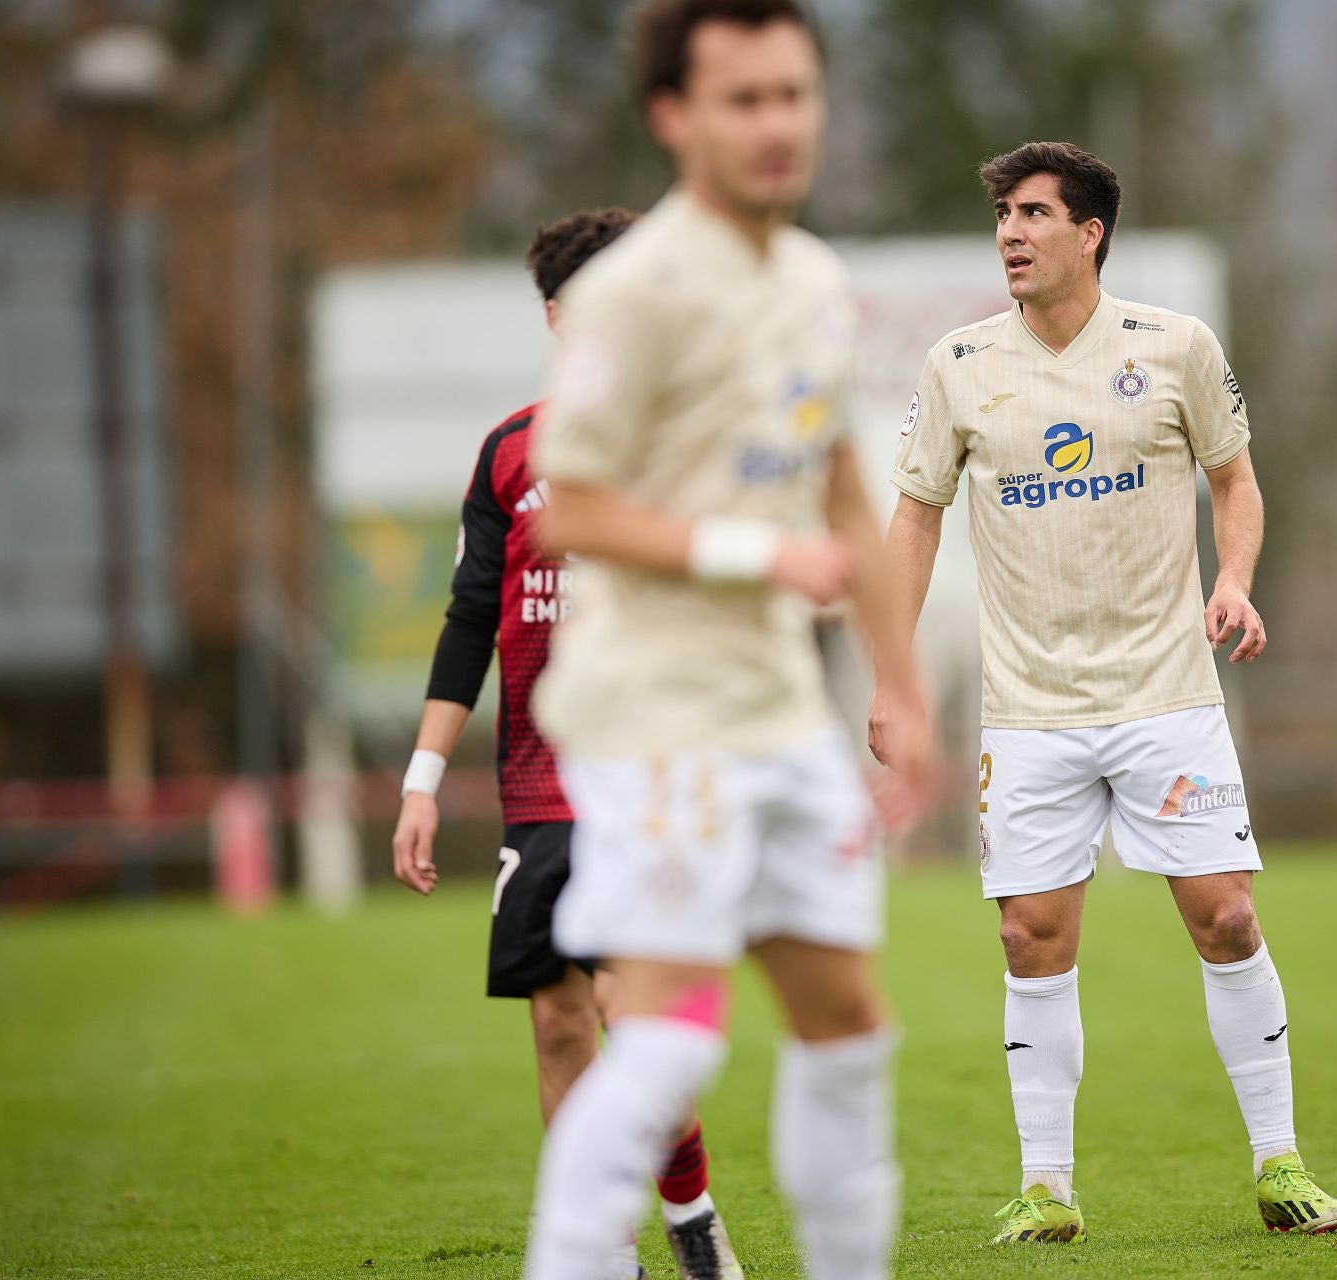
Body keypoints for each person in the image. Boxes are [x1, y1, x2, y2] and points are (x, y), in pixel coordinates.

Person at [871, 140, 1337, 1242]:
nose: (1010, 232)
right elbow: (913, 517)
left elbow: (1235, 479)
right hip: (1030, 709)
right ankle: (1046, 1189)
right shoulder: (957, 363)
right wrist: (894, 675)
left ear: (1089, 232)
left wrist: (1232, 581)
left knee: (1226, 915)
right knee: (1030, 936)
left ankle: (1282, 1165)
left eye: (1034, 212)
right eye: (1002, 213)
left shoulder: (1175, 347)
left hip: (1166, 697)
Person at [520, 2, 934, 1278]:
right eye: (744, 99)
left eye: (794, 94)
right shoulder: (630, 293)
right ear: (674, 117)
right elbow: (566, 505)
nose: (777, 124)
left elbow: (845, 491)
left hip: (778, 720)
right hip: (656, 720)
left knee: (850, 1024)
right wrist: (749, 555)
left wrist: (904, 690)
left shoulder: (812, 281)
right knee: (668, 1043)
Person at [390, 207, 742, 1279]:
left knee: (638, 1013)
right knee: (557, 1020)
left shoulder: (686, 436)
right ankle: (607, 1254)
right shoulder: (508, 451)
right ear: (554, 316)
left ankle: (690, 1212)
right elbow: (467, 617)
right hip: (541, 784)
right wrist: (421, 777)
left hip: (657, 771)